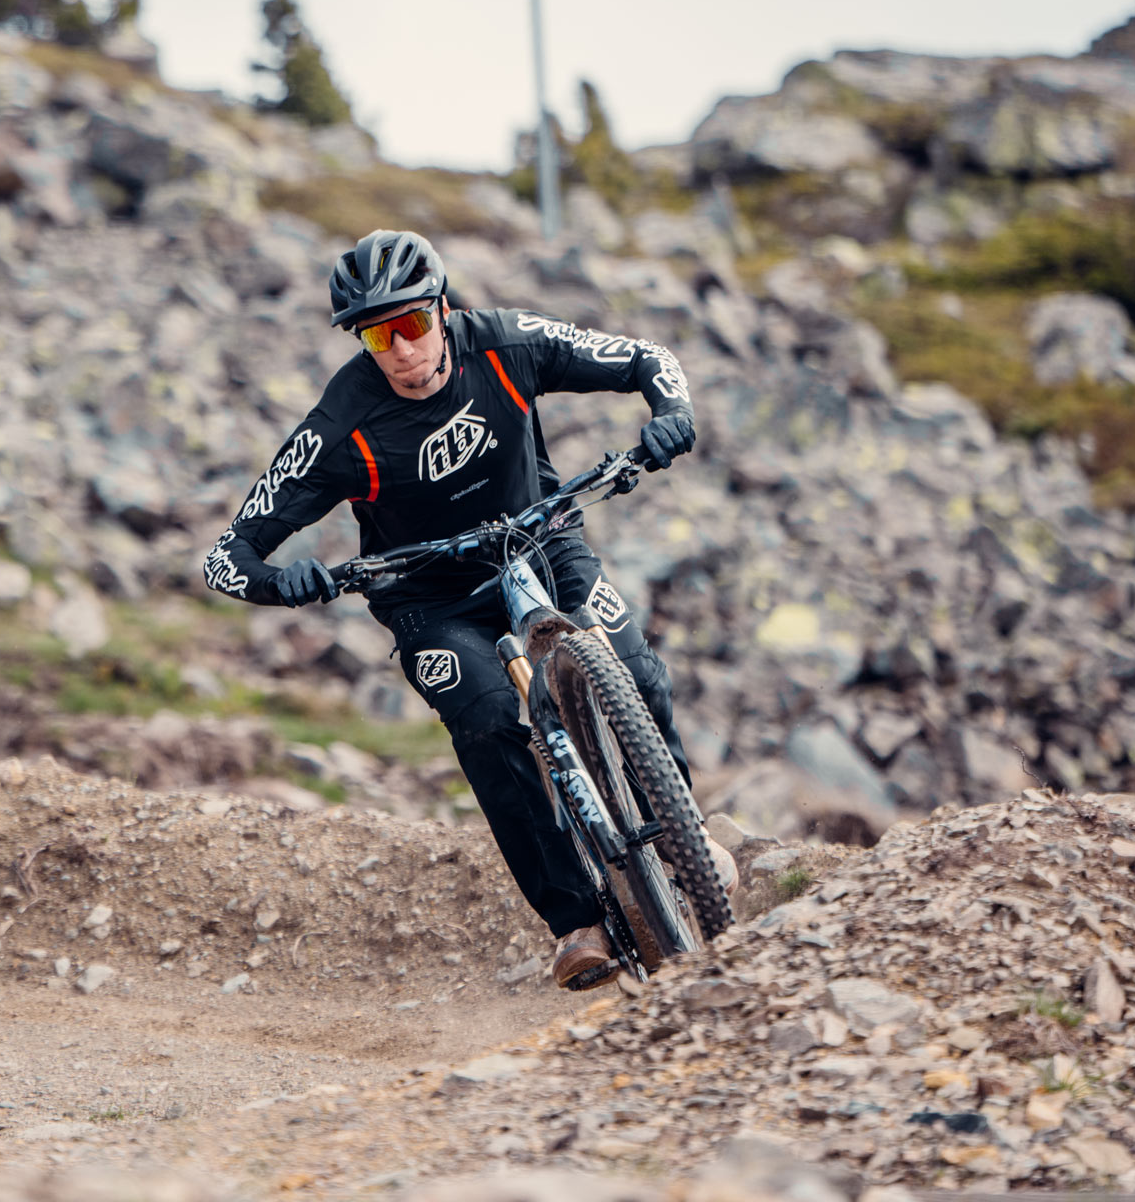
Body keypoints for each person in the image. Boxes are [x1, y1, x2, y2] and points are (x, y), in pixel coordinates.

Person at [202, 229, 736, 990]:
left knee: (635, 665)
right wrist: (283, 581)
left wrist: (670, 414)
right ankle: (575, 920)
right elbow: (227, 556)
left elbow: (652, 359)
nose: (402, 349)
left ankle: (689, 840)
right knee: (487, 723)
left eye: (413, 323)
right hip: (427, 595)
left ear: (442, 310)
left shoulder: (508, 344)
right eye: (378, 335)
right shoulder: (339, 424)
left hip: (542, 541)